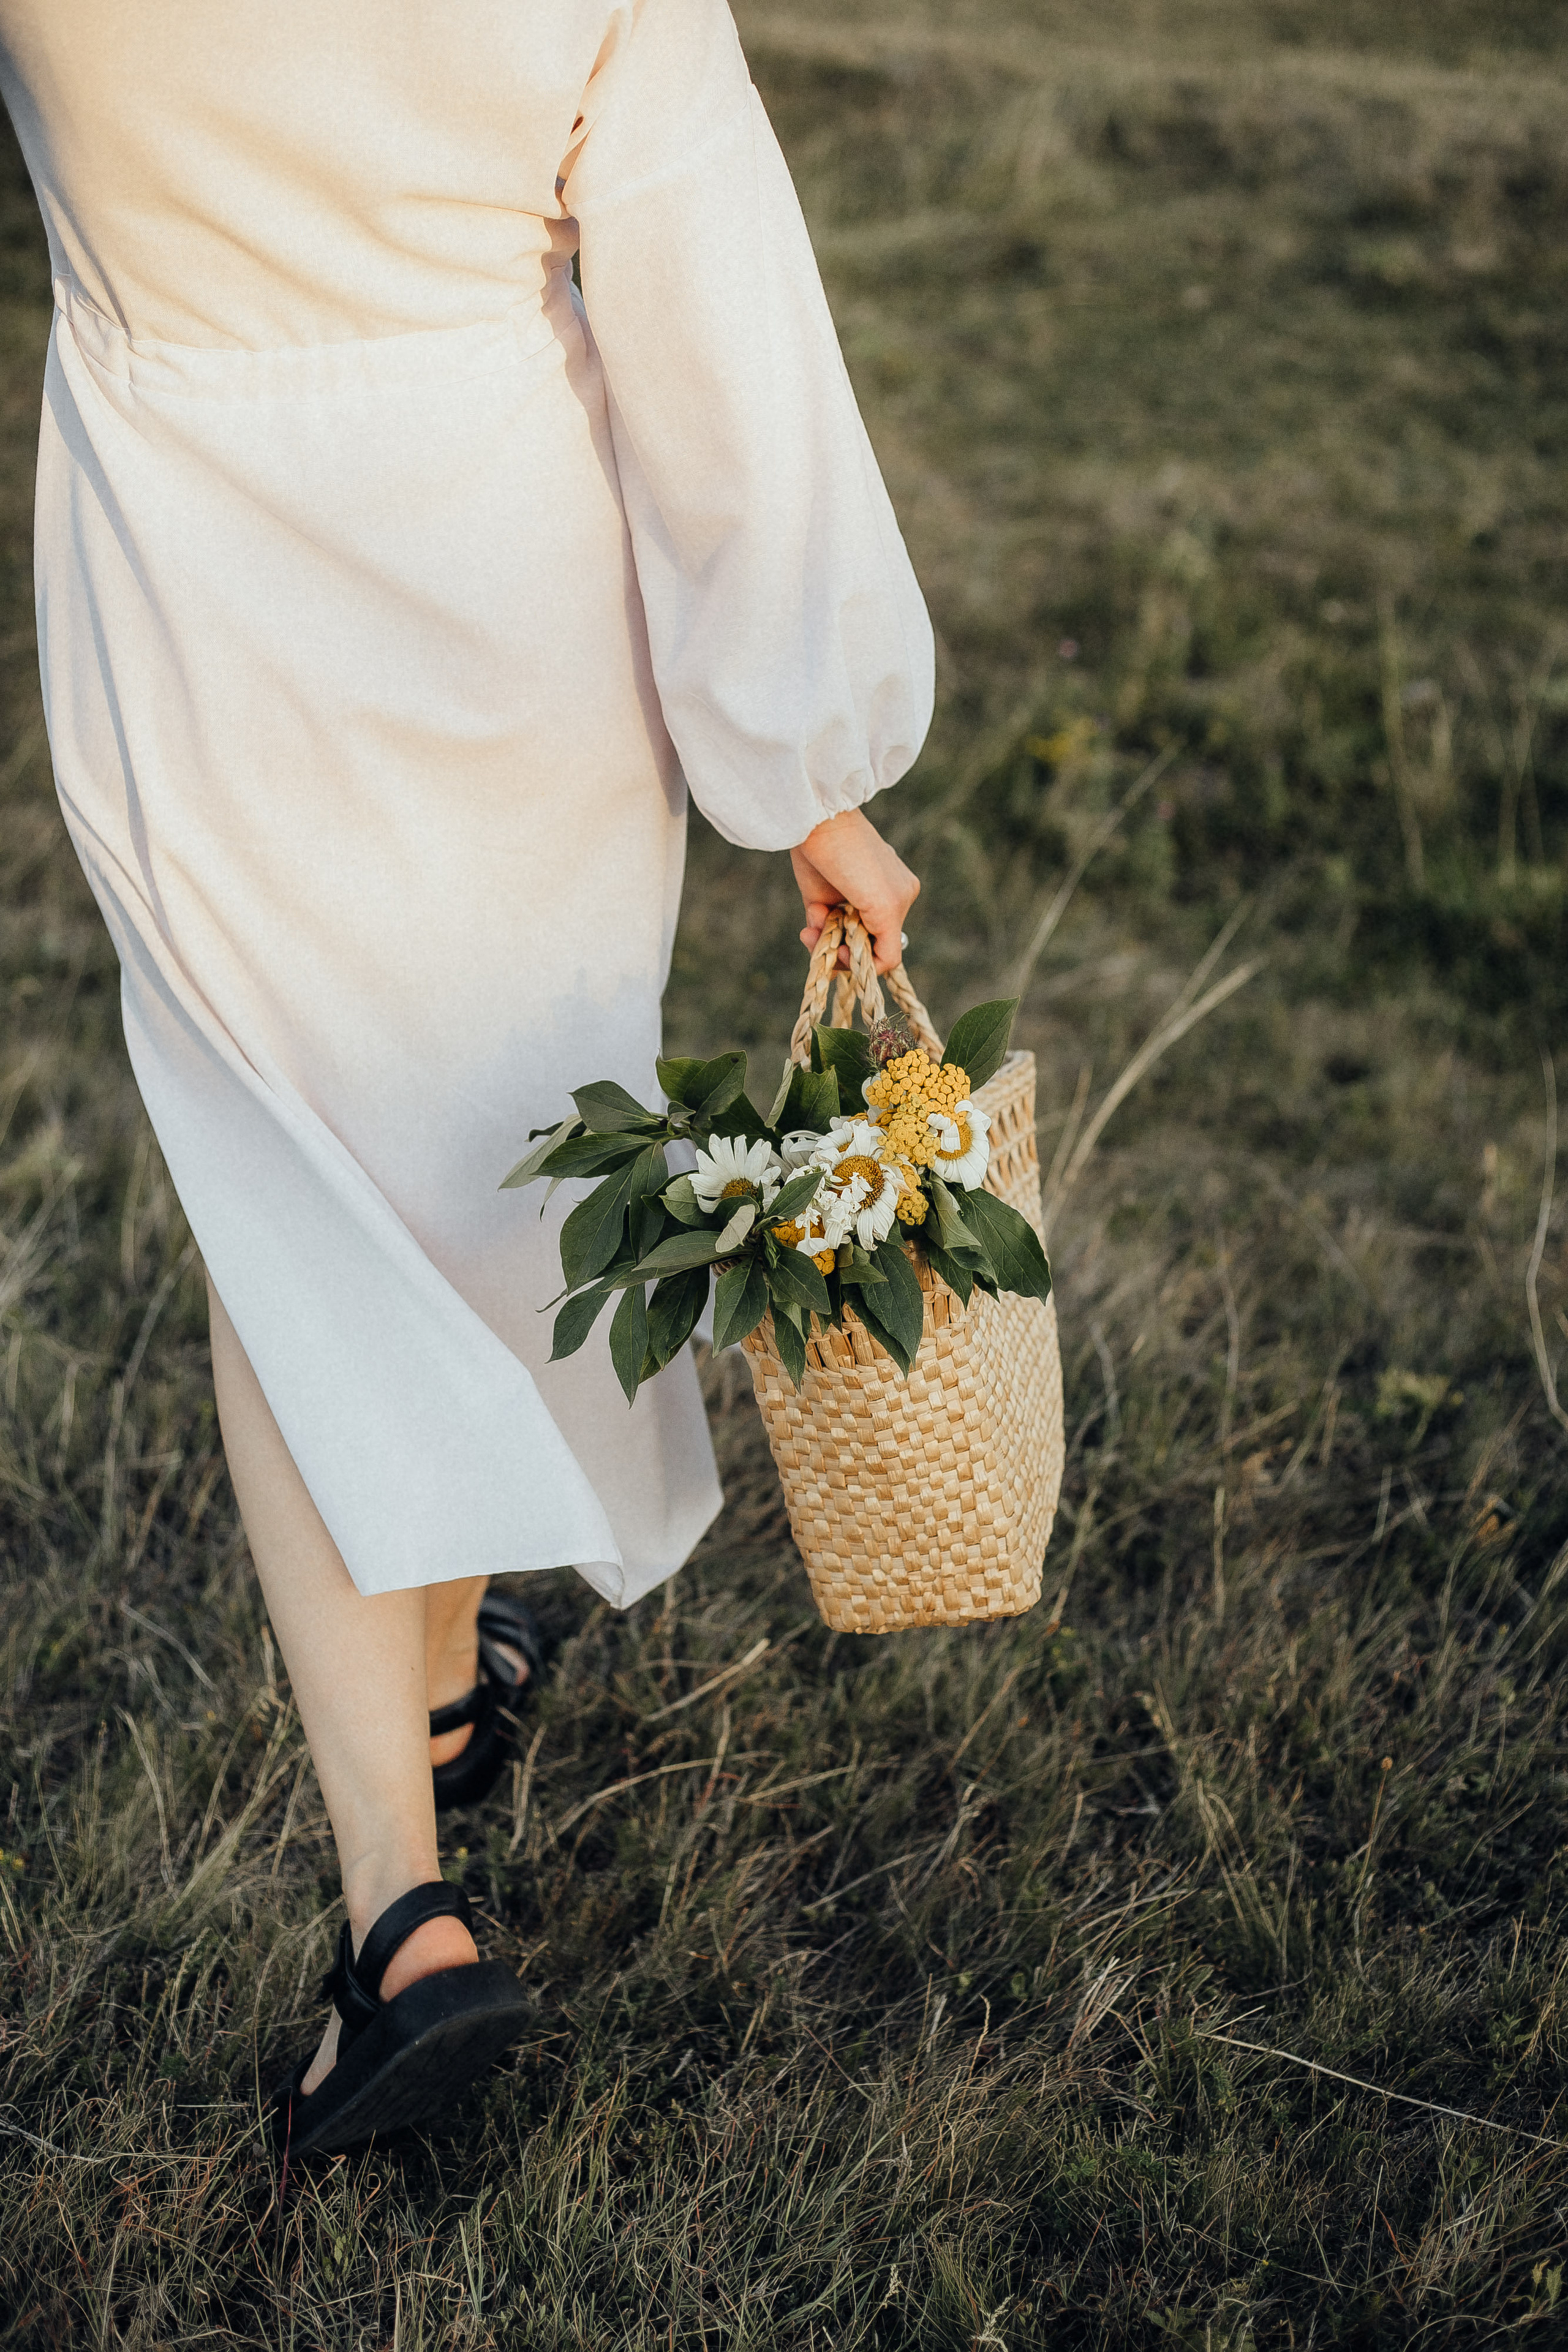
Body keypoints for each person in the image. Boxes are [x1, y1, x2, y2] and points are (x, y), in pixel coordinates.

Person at [0, 0, 929, 2152]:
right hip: (513, 574)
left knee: (296, 1208)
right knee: (467, 1161)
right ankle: (437, 1689)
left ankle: (404, 1908)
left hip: (191, 574)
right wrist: (807, 777)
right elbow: (716, 291)